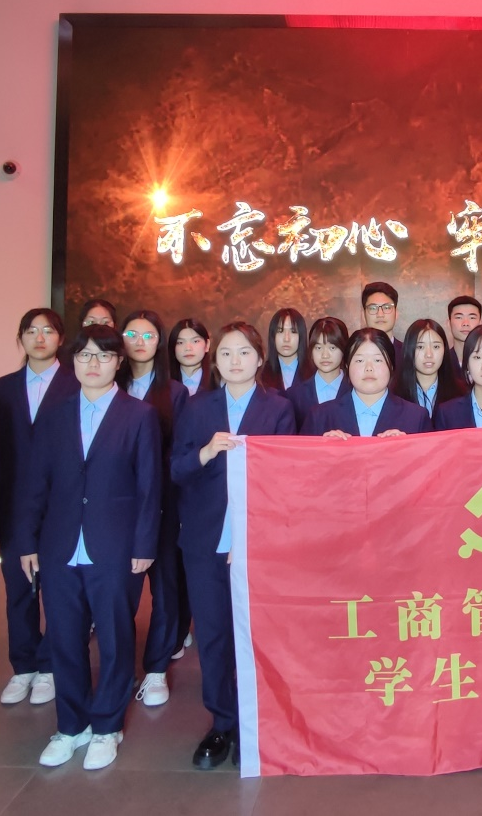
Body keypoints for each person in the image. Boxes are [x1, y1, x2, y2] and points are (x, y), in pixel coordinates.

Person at [15, 325, 162, 771]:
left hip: (115, 546)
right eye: (84, 355)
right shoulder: (54, 415)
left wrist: (144, 543)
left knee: (115, 638)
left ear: (119, 362)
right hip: (59, 544)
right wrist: (27, 540)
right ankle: (71, 725)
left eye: (103, 356)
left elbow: (149, 486)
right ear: (73, 361)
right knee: (64, 638)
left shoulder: (139, 415)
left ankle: (106, 726)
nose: (92, 364)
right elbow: (34, 482)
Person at [172, 322, 296, 770]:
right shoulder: (196, 407)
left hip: (259, 542)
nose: (235, 361)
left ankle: (254, 721)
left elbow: (288, 476)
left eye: (244, 352)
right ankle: (222, 721)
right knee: (213, 634)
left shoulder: (278, 408)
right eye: (226, 353)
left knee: (257, 634)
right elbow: (176, 468)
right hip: (206, 539)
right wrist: (206, 453)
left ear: (260, 359)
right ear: (215, 360)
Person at [0, 309, 79, 706]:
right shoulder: (3, 387)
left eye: (48, 331)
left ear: (61, 338)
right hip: (14, 505)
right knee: (18, 589)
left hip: (62, 505)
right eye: (31, 331)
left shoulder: (77, 381)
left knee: (58, 590)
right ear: (20, 338)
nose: (39, 338)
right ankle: (23, 665)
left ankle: (49, 665)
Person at [118, 311, 188, 707]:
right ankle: (120, 668)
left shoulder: (175, 393)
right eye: (132, 333)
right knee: (119, 592)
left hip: (162, 503)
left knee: (165, 587)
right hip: (117, 505)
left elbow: (179, 452)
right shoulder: (109, 386)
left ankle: (157, 668)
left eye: (148, 335)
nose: (140, 341)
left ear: (160, 342)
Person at [302, 328, 430, 436]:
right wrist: (324, 449)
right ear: (347, 366)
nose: (369, 368)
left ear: (391, 366)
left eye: (377, 360)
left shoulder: (416, 417)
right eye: (360, 361)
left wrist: (407, 448)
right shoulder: (319, 417)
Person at [285, 316, 351, 427]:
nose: (325, 355)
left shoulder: (356, 391)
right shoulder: (295, 395)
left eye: (332, 348)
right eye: (318, 348)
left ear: (344, 349)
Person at [394, 319, 468, 418]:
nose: (429, 354)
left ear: (444, 349)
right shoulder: (394, 394)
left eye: (436, 347)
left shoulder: (462, 393)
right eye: (420, 347)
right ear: (409, 349)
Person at [260, 308, 306, 391]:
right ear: (273, 336)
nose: (286, 339)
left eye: (293, 331)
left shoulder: (314, 373)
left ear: (301, 336)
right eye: (280, 331)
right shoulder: (261, 374)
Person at [169, 318, 214, 396]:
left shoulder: (218, 382)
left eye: (195, 341)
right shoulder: (163, 384)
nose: (188, 348)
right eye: (180, 342)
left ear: (207, 345)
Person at [361, 282, 403, 364]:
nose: (380, 314)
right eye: (373, 308)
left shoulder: (409, 354)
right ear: (363, 315)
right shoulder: (351, 355)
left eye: (387, 307)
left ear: (396, 313)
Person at [445, 295, 482, 381]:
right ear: (448, 323)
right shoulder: (442, 362)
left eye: (472, 318)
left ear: (480, 324)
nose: (465, 323)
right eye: (459, 317)